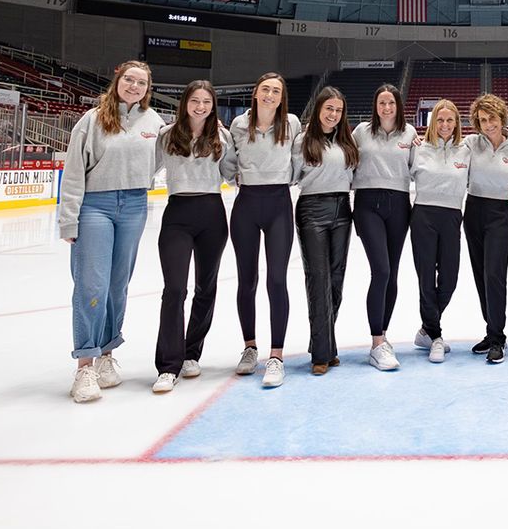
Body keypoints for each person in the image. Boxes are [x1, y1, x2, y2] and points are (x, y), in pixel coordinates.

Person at [58, 60, 165, 403]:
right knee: (92, 284)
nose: (134, 87)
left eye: (142, 83)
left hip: (134, 205)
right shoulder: (92, 119)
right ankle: (85, 365)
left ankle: (107, 354)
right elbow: (74, 171)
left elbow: (162, 157)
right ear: (117, 81)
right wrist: (68, 219)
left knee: (118, 285)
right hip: (95, 207)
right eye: (129, 80)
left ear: (148, 89)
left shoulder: (153, 122)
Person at [150, 80, 233, 393]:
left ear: (213, 106)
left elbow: (233, 172)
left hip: (212, 213)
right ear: (185, 103)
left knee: (205, 288)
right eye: (195, 100)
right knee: (174, 289)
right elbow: (147, 168)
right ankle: (167, 366)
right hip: (178, 215)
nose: (201, 107)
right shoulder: (167, 135)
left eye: (207, 102)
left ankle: (191, 353)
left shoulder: (221, 137)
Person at [228, 72, 301, 388]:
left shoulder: (292, 124)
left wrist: (291, 177)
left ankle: (276, 356)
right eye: (265, 89)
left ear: (282, 98)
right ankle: (249, 347)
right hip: (246, 205)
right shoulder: (238, 126)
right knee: (247, 280)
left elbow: (299, 158)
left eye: (276, 91)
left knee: (276, 280)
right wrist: (236, 179)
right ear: (256, 93)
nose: (270, 95)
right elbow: (229, 162)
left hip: (278, 205)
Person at [292, 87, 360, 376]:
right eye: (328, 108)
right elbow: (291, 175)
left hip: (342, 209)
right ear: (318, 108)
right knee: (318, 279)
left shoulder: (347, 141)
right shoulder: (302, 141)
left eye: (338, 110)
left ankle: (323, 343)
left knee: (336, 280)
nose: (333, 114)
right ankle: (321, 353)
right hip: (312, 209)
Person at [351, 84, 416, 370]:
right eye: (382, 103)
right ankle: (376, 342)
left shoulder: (410, 133)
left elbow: (419, 169)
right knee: (381, 270)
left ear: (398, 106)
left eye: (391, 103)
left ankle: (384, 335)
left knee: (393, 274)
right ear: (375, 106)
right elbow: (344, 159)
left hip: (399, 204)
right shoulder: (361, 132)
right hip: (367, 203)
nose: (387, 108)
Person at [409, 100, 470, 363]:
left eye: (450, 120)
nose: (445, 125)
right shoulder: (418, 150)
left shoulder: (466, 151)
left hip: (452, 216)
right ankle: (435, 335)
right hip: (423, 215)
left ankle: (426, 329)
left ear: (457, 123)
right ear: (432, 123)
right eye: (440, 120)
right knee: (425, 279)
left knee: (449, 279)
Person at [463, 94, 508, 364]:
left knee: (495, 275)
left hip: (499, 212)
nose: (488, 124)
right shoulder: (470, 144)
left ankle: (498, 338)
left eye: (492, 118)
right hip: (473, 209)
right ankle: (491, 329)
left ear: (502, 118)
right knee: (480, 275)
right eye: (483, 120)